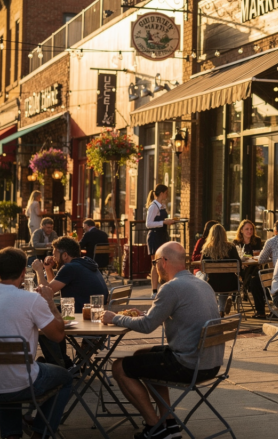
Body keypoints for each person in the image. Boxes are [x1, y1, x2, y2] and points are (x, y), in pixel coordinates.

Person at [103, 242, 224, 439]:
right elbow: (164, 317)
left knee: (119, 367)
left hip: (189, 365)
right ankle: (168, 422)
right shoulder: (202, 284)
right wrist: (148, 315)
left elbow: (146, 326)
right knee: (142, 355)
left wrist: (113, 318)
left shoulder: (171, 287)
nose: (155, 266)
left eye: (155, 262)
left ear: (164, 261)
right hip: (212, 363)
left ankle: (155, 427)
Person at [0, 247, 72, 439]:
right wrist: (49, 302)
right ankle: (40, 433)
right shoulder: (31, 299)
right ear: (24, 273)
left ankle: (12, 435)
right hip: (18, 383)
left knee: (10, 371)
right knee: (65, 377)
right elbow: (57, 336)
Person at [31, 236, 108, 367]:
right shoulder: (85, 263)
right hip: (95, 316)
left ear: (65, 255)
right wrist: (48, 269)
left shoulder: (70, 268)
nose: (53, 257)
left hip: (80, 316)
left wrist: (39, 270)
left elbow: (46, 292)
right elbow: (53, 289)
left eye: (55, 253)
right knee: (51, 318)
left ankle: (59, 364)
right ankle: (65, 362)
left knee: (45, 323)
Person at [200, 224, 241, 317]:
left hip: (211, 284)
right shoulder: (231, 247)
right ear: (224, 234)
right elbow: (239, 264)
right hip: (230, 284)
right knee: (224, 280)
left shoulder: (207, 249)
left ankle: (215, 308)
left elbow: (203, 267)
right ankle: (221, 309)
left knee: (200, 275)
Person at [145, 185, 177, 297]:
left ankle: (164, 288)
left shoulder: (162, 206)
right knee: (155, 263)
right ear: (162, 193)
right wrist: (163, 222)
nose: (167, 195)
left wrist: (168, 221)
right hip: (155, 236)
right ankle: (154, 291)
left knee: (164, 262)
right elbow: (148, 223)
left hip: (162, 235)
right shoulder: (153, 207)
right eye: (166, 193)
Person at [234, 220, 266, 319]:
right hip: (241, 269)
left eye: (251, 229)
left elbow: (259, 256)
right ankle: (246, 285)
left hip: (253, 267)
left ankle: (245, 286)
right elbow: (235, 258)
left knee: (255, 277)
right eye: (247, 229)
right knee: (254, 278)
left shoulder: (256, 241)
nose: (249, 231)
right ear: (241, 230)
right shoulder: (236, 242)